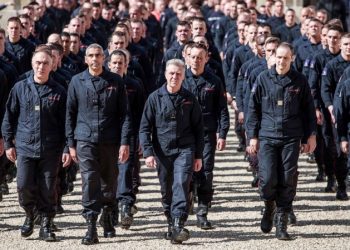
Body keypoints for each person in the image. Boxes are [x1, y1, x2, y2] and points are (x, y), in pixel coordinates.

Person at [246, 43, 317, 240]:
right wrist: (253, 136)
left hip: (291, 137)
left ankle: (281, 221)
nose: (282, 61)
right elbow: (253, 109)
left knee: (288, 179)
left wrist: (310, 135)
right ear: (274, 57)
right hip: (267, 136)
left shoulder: (299, 81)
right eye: (279, 57)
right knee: (268, 178)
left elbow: (308, 111)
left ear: (291, 59)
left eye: (286, 58)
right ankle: (269, 206)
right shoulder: (262, 79)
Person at [1, 48, 71, 241]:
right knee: (23, 185)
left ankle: (47, 223)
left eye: (45, 63)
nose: (41, 67)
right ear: (32, 64)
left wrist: (66, 147)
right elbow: (9, 117)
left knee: (49, 188)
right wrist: (8, 143)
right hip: (25, 147)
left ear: (52, 65)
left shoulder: (59, 91)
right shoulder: (20, 88)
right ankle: (30, 215)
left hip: (50, 148)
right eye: (38, 63)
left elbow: (66, 123)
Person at [65, 43, 131, 245]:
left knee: (109, 182)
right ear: (86, 59)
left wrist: (124, 142)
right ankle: (91, 225)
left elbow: (125, 115)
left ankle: (108, 216)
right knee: (89, 180)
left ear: (104, 58)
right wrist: (71, 143)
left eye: (98, 55)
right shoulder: (77, 81)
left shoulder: (116, 81)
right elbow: (70, 114)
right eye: (91, 55)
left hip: (110, 141)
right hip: (85, 139)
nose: (95, 59)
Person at [139, 59, 204, 244]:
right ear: (166, 74)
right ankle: (170, 220)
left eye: (178, 74)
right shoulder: (154, 98)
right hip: (162, 151)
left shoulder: (190, 99)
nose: (174, 77)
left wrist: (198, 155)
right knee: (166, 190)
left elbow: (199, 129)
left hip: (185, 149)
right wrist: (148, 152)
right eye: (171, 73)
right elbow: (145, 128)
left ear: (183, 76)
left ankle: (178, 224)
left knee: (181, 184)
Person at [183, 43, 229, 229]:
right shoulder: (180, 78)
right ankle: (184, 207)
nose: (196, 60)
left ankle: (202, 211)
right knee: (185, 172)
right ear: (187, 58)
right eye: (193, 57)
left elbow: (222, 110)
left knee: (205, 172)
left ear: (206, 59)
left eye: (200, 57)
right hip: (184, 135)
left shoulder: (214, 81)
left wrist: (223, 133)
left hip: (207, 134)